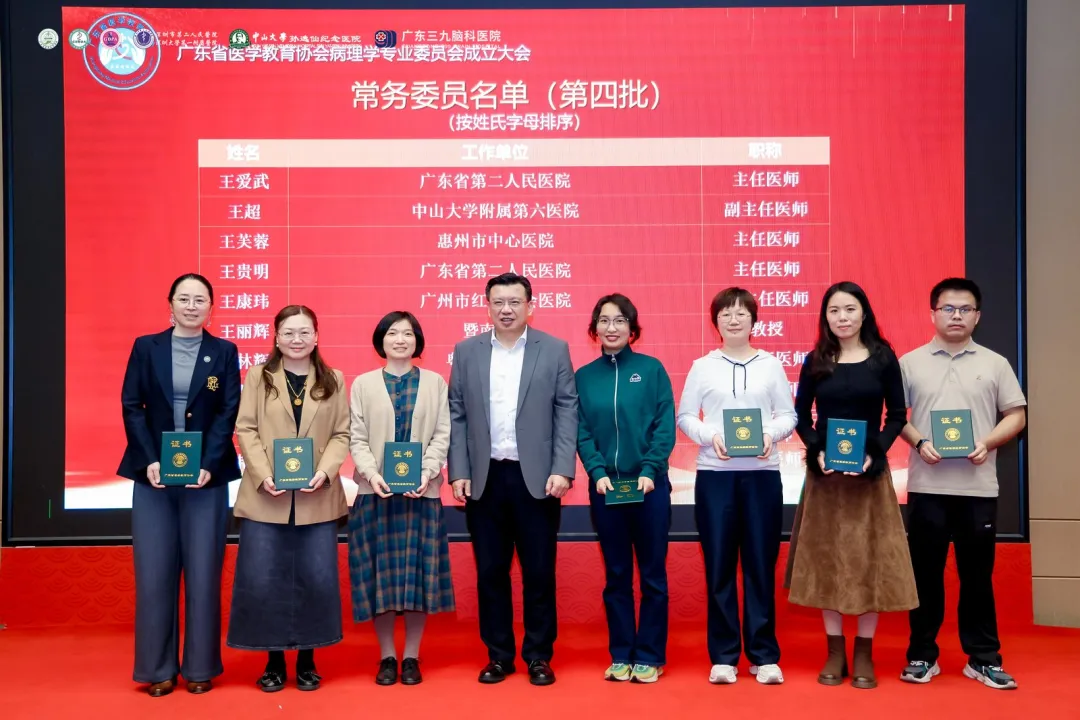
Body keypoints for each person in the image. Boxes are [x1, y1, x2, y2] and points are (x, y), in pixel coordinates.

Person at [785, 281, 918, 690]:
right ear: (825, 317)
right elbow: (801, 416)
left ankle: (863, 652)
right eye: (834, 311)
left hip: (869, 477)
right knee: (827, 560)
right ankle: (834, 651)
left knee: (868, 560)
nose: (842, 317)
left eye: (849, 309)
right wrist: (818, 452)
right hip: (826, 478)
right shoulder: (815, 360)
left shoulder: (883, 358)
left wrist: (874, 453)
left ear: (864, 314)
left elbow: (897, 415)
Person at [448, 273, 579, 686]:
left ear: (530, 306)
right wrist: (459, 471)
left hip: (537, 479)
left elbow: (567, 410)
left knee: (539, 572)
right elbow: (456, 413)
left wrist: (563, 468)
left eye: (515, 302)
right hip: (485, 478)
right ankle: (499, 656)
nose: (506, 309)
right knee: (491, 572)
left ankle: (539, 655)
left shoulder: (553, 349)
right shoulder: (466, 351)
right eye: (498, 302)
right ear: (487, 306)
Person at [898, 278, 1026, 690]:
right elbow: (894, 416)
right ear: (933, 313)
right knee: (925, 575)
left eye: (965, 309)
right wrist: (920, 442)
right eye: (948, 308)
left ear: (977, 316)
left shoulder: (995, 363)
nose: (956, 316)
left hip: (977, 489)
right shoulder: (910, 362)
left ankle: (983, 659)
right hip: (927, 486)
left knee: (977, 577)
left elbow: (1016, 414)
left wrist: (987, 442)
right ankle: (922, 654)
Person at [118, 273, 240, 697]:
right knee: (154, 575)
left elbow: (227, 410)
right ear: (169, 304)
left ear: (211, 307)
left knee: (204, 574)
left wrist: (208, 464)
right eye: (184, 299)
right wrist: (149, 458)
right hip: (153, 477)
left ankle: (200, 667)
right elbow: (132, 406)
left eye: (200, 299)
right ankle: (158, 669)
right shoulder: (146, 347)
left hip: (206, 480)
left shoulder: (223, 352)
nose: (191, 306)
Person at [678, 288, 797, 686]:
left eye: (741, 313)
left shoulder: (771, 365)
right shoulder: (702, 366)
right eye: (725, 313)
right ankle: (724, 656)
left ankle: (764, 656)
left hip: (763, 474)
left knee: (761, 564)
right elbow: (685, 416)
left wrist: (769, 434)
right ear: (715, 322)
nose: (733, 319)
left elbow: (788, 415)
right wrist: (710, 436)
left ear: (753, 320)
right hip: (715, 476)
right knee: (720, 565)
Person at [229, 305, 350, 692]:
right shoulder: (258, 377)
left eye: (304, 332)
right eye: (288, 333)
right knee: (266, 580)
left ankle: (308, 661)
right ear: (276, 337)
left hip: (317, 496)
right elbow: (246, 429)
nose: (297, 340)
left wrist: (325, 471)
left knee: (315, 579)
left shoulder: (333, 379)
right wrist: (264, 475)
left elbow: (342, 434)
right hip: (267, 496)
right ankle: (274, 662)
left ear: (316, 337)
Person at [347, 311, 455, 686]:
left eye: (408, 334)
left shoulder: (435, 382)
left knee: (417, 577)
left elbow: (442, 434)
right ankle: (386, 657)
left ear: (417, 341)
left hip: (421, 493)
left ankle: (411, 655)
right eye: (392, 333)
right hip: (374, 493)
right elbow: (356, 437)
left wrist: (426, 473)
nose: (400, 339)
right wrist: (372, 474)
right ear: (381, 340)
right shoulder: (362, 384)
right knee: (379, 577)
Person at [576, 294, 676, 684]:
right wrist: (596, 471)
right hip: (606, 489)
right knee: (616, 574)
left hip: (649, 488)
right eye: (604, 320)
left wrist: (650, 470)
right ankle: (621, 653)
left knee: (652, 575)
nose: (611, 327)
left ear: (632, 328)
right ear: (594, 329)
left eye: (619, 320)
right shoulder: (585, 376)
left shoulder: (651, 370)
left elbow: (664, 425)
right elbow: (581, 430)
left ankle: (649, 655)